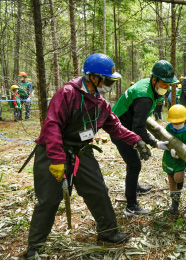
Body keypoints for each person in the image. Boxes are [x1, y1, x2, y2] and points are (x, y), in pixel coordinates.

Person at [25, 53, 152, 258]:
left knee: (98, 189)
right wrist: (57, 159)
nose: (110, 84)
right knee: (49, 199)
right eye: (108, 80)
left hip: (81, 151)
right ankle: (35, 245)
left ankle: (108, 232)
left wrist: (136, 140)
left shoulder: (101, 103)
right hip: (53, 150)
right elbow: (52, 126)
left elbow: (115, 127)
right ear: (94, 78)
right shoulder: (67, 93)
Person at [111, 60, 178, 216]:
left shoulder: (146, 85)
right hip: (119, 129)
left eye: (169, 85)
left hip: (121, 124)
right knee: (134, 164)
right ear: (154, 80)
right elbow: (138, 128)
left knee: (134, 163)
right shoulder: (145, 98)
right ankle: (131, 205)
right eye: (164, 84)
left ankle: (135, 187)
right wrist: (155, 143)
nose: (166, 88)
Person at [162, 104, 186, 214]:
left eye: (178, 121)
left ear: (185, 119)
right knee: (171, 179)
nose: (175, 123)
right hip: (169, 157)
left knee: (178, 178)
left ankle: (180, 182)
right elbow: (165, 138)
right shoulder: (169, 127)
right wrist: (167, 147)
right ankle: (175, 203)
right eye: (174, 121)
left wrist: (179, 153)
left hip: (180, 159)